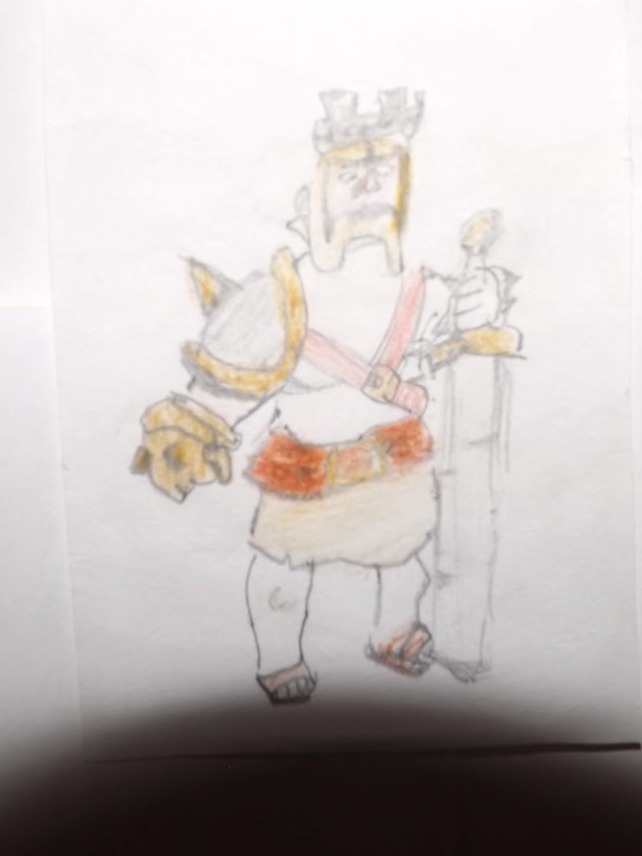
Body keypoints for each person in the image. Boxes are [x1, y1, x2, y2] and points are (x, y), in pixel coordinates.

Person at [132, 89, 521, 704]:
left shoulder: (421, 283)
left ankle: (392, 633)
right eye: (348, 173)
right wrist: (194, 428)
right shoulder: (279, 293)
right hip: (306, 469)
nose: (367, 185)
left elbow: (456, 334)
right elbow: (229, 383)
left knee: (402, 561)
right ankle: (279, 657)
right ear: (312, 196)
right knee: (283, 571)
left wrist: (481, 301)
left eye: (382, 170)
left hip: (394, 462)